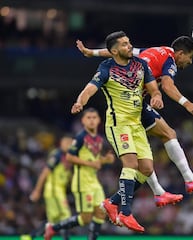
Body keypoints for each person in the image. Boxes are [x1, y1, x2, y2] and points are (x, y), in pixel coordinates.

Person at [76, 36, 193, 205]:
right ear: (180, 53)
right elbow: (167, 85)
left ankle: (151, 194)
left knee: (146, 163)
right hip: (131, 105)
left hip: (134, 102)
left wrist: (91, 52)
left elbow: (117, 52)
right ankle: (187, 180)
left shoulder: (154, 50)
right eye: (190, 57)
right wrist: (186, 103)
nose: (190, 62)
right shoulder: (170, 60)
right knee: (166, 136)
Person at [69, 31, 165, 233]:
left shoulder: (141, 64)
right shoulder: (106, 68)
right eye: (124, 44)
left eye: (129, 42)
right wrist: (80, 102)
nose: (129, 46)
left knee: (146, 169)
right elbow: (90, 89)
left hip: (137, 125)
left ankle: (112, 203)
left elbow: (153, 88)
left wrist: (156, 96)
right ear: (114, 51)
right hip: (117, 124)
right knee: (131, 164)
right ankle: (126, 213)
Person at [44, 108, 115, 240]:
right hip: (82, 183)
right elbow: (70, 157)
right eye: (88, 118)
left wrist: (105, 160)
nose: (92, 120)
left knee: (101, 212)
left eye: (94, 117)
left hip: (94, 182)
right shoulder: (80, 137)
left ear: (99, 120)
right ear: (83, 120)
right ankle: (53, 228)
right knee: (85, 218)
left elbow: (94, 161)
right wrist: (91, 164)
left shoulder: (98, 139)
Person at [29, 136, 73, 240]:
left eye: (70, 143)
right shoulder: (57, 155)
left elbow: (67, 175)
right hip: (54, 190)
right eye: (65, 142)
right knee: (65, 215)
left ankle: (32, 236)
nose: (68, 144)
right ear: (61, 143)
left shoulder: (69, 156)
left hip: (59, 190)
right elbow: (45, 173)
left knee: (53, 220)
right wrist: (37, 190)